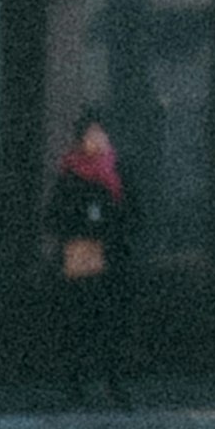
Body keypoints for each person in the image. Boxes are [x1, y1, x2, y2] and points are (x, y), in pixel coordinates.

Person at [44, 119, 137, 409]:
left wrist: (115, 235)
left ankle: (114, 385)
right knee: (78, 327)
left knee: (112, 328)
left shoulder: (119, 172)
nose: (96, 140)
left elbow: (133, 215)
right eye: (90, 135)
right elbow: (53, 218)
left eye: (101, 134)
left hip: (112, 264)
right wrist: (80, 229)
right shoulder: (70, 174)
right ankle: (76, 387)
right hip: (79, 264)